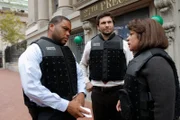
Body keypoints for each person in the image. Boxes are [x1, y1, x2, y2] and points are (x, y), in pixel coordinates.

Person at [18, 15, 89, 120]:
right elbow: (31, 87)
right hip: (48, 114)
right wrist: (65, 105)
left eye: (70, 30)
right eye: (65, 29)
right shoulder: (34, 50)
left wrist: (81, 94)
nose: (68, 33)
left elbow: (78, 74)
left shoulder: (69, 52)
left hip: (70, 111)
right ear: (51, 26)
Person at [116, 18, 180, 120]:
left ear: (144, 36)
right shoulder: (141, 58)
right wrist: (125, 101)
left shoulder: (157, 62)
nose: (127, 38)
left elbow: (164, 108)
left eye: (131, 34)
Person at [80, 12, 133, 120]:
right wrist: (86, 81)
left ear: (113, 24)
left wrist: (126, 90)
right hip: (97, 93)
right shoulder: (90, 44)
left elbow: (131, 67)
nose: (107, 25)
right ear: (98, 27)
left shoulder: (123, 43)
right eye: (103, 23)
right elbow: (83, 64)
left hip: (118, 92)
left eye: (109, 22)